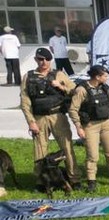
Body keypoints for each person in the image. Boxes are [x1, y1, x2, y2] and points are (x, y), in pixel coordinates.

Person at [67, 65, 109, 192]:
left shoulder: (105, 88)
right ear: (97, 76)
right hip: (90, 126)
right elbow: (73, 110)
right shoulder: (82, 90)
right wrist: (79, 127)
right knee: (92, 156)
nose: (107, 78)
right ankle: (91, 182)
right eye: (105, 76)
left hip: (107, 123)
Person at [20, 47, 79, 180]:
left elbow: (75, 91)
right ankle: (42, 181)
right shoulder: (28, 77)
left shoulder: (59, 74)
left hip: (57, 116)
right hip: (39, 118)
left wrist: (60, 86)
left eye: (47, 59)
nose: (44, 62)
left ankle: (74, 178)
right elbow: (25, 101)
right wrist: (31, 122)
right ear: (36, 60)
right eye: (41, 59)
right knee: (40, 150)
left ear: (51, 60)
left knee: (67, 148)